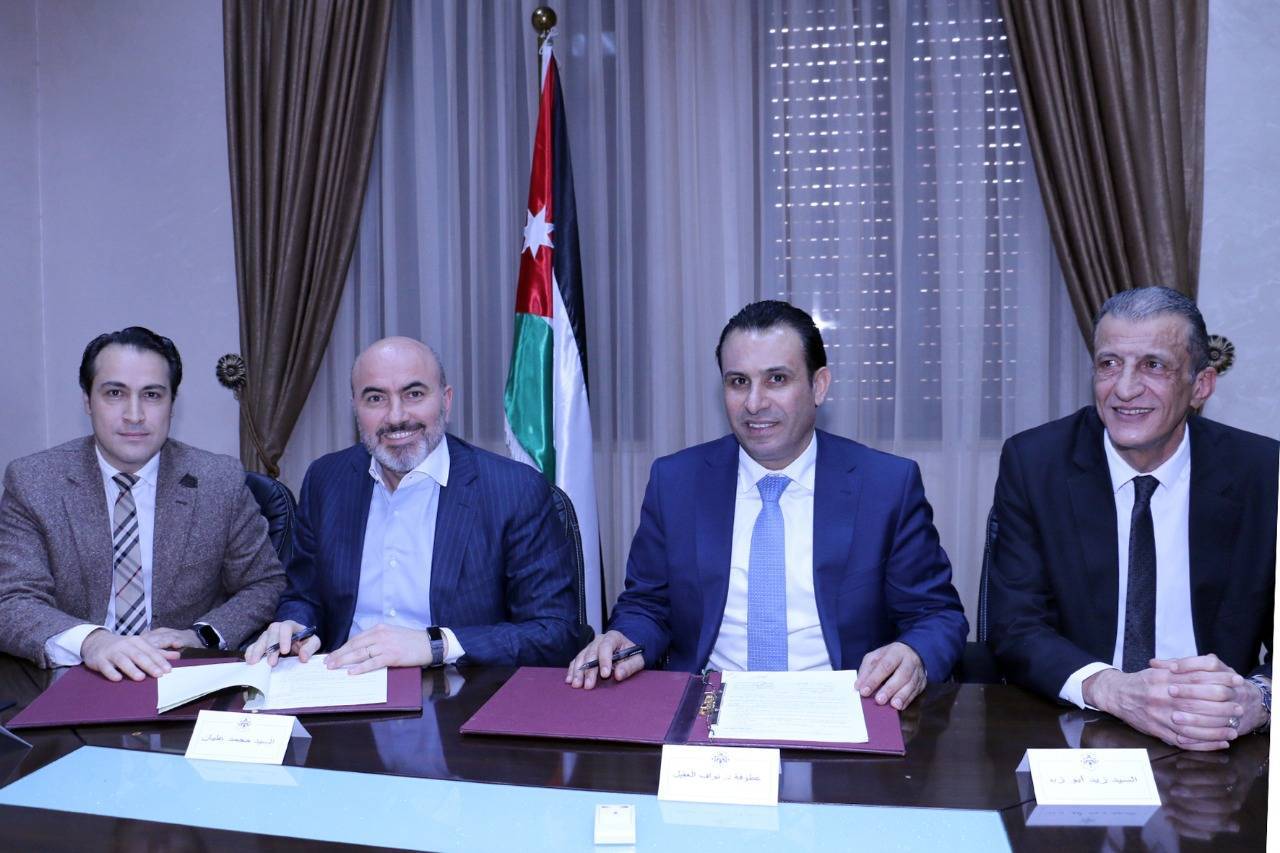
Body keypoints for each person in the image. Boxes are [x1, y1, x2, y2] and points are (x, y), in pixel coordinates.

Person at [567, 301, 967, 709]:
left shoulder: (885, 485)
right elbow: (648, 606)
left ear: (819, 386)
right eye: (738, 382)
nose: (754, 403)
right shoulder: (677, 482)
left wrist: (914, 654)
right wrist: (625, 638)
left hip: (844, 706)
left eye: (776, 379)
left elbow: (936, 615)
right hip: (707, 706)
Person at [987, 286, 1276, 750]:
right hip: (1080, 726)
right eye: (1109, 363)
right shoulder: (1036, 463)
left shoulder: (1263, 473)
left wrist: (1259, 700)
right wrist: (1112, 689)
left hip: (1219, 733)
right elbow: (1014, 625)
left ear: (1201, 385)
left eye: (1153, 365)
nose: (1124, 389)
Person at [246, 337, 577, 671]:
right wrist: (295, 625)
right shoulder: (326, 480)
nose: (396, 417)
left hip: (460, 688)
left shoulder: (513, 490)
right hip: (345, 682)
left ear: (446, 400)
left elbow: (554, 632)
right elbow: (305, 595)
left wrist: (437, 644)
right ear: (356, 408)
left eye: (414, 394)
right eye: (376, 398)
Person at [0, 327, 285, 680]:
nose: (134, 415)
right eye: (114, 393)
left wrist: (200, 635)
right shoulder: (34, 481)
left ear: (172, 404)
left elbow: (264, 583)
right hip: (74, 675)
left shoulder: (218, 481)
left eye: (151, 395)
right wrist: (91, 640)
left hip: (181, 677)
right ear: (87, 401)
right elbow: (11, 599)